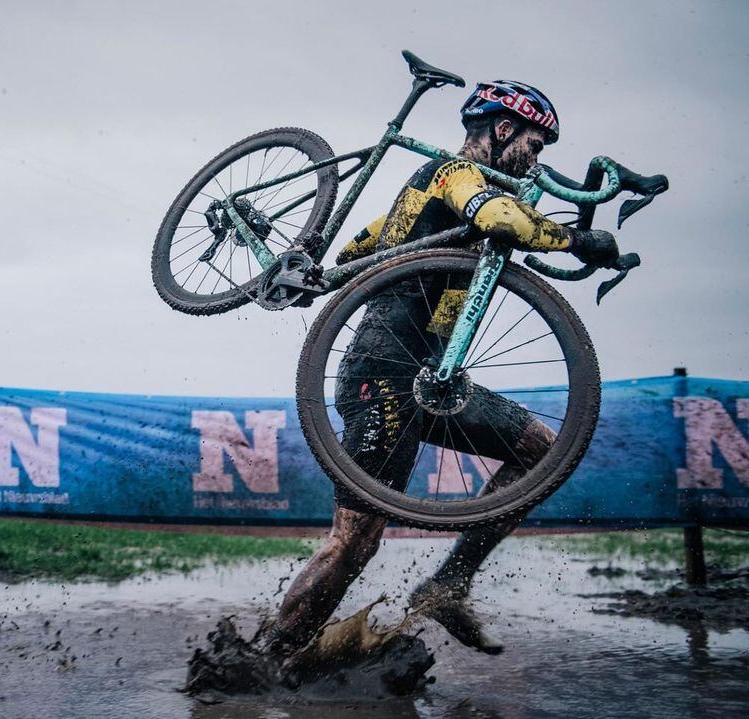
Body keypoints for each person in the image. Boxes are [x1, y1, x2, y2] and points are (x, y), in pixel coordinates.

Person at [256, 80, 619, 657]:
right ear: (503, 130)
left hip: (433, 380)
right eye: (535, 143)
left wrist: (325, 274)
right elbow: (503, 218)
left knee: (541, 450)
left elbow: (364, 246)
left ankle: (447, 585)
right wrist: (577, 240)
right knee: (355, 540)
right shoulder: (455, 175)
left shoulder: (433, 197)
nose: (536, 158)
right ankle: (266, 656)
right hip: (382, 377)